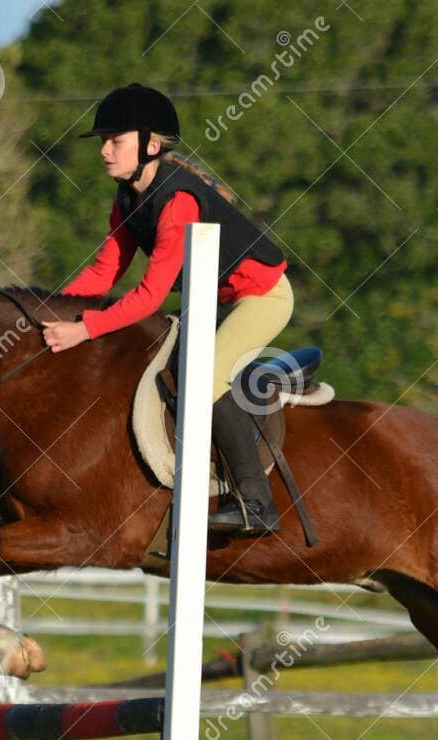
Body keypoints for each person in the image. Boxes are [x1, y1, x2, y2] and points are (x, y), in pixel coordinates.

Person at [42, 83, 293, 538]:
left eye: (115, 140)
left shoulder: (177, 202)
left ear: (150, 146)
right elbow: (103, 273)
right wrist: (48, 312)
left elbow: (148, 298)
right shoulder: (127, 198)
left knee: (204, 374)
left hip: (262, 296)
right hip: (215, 300)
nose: (104, 151)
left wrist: (84, 330)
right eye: (104, 141)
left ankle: (256, 503)